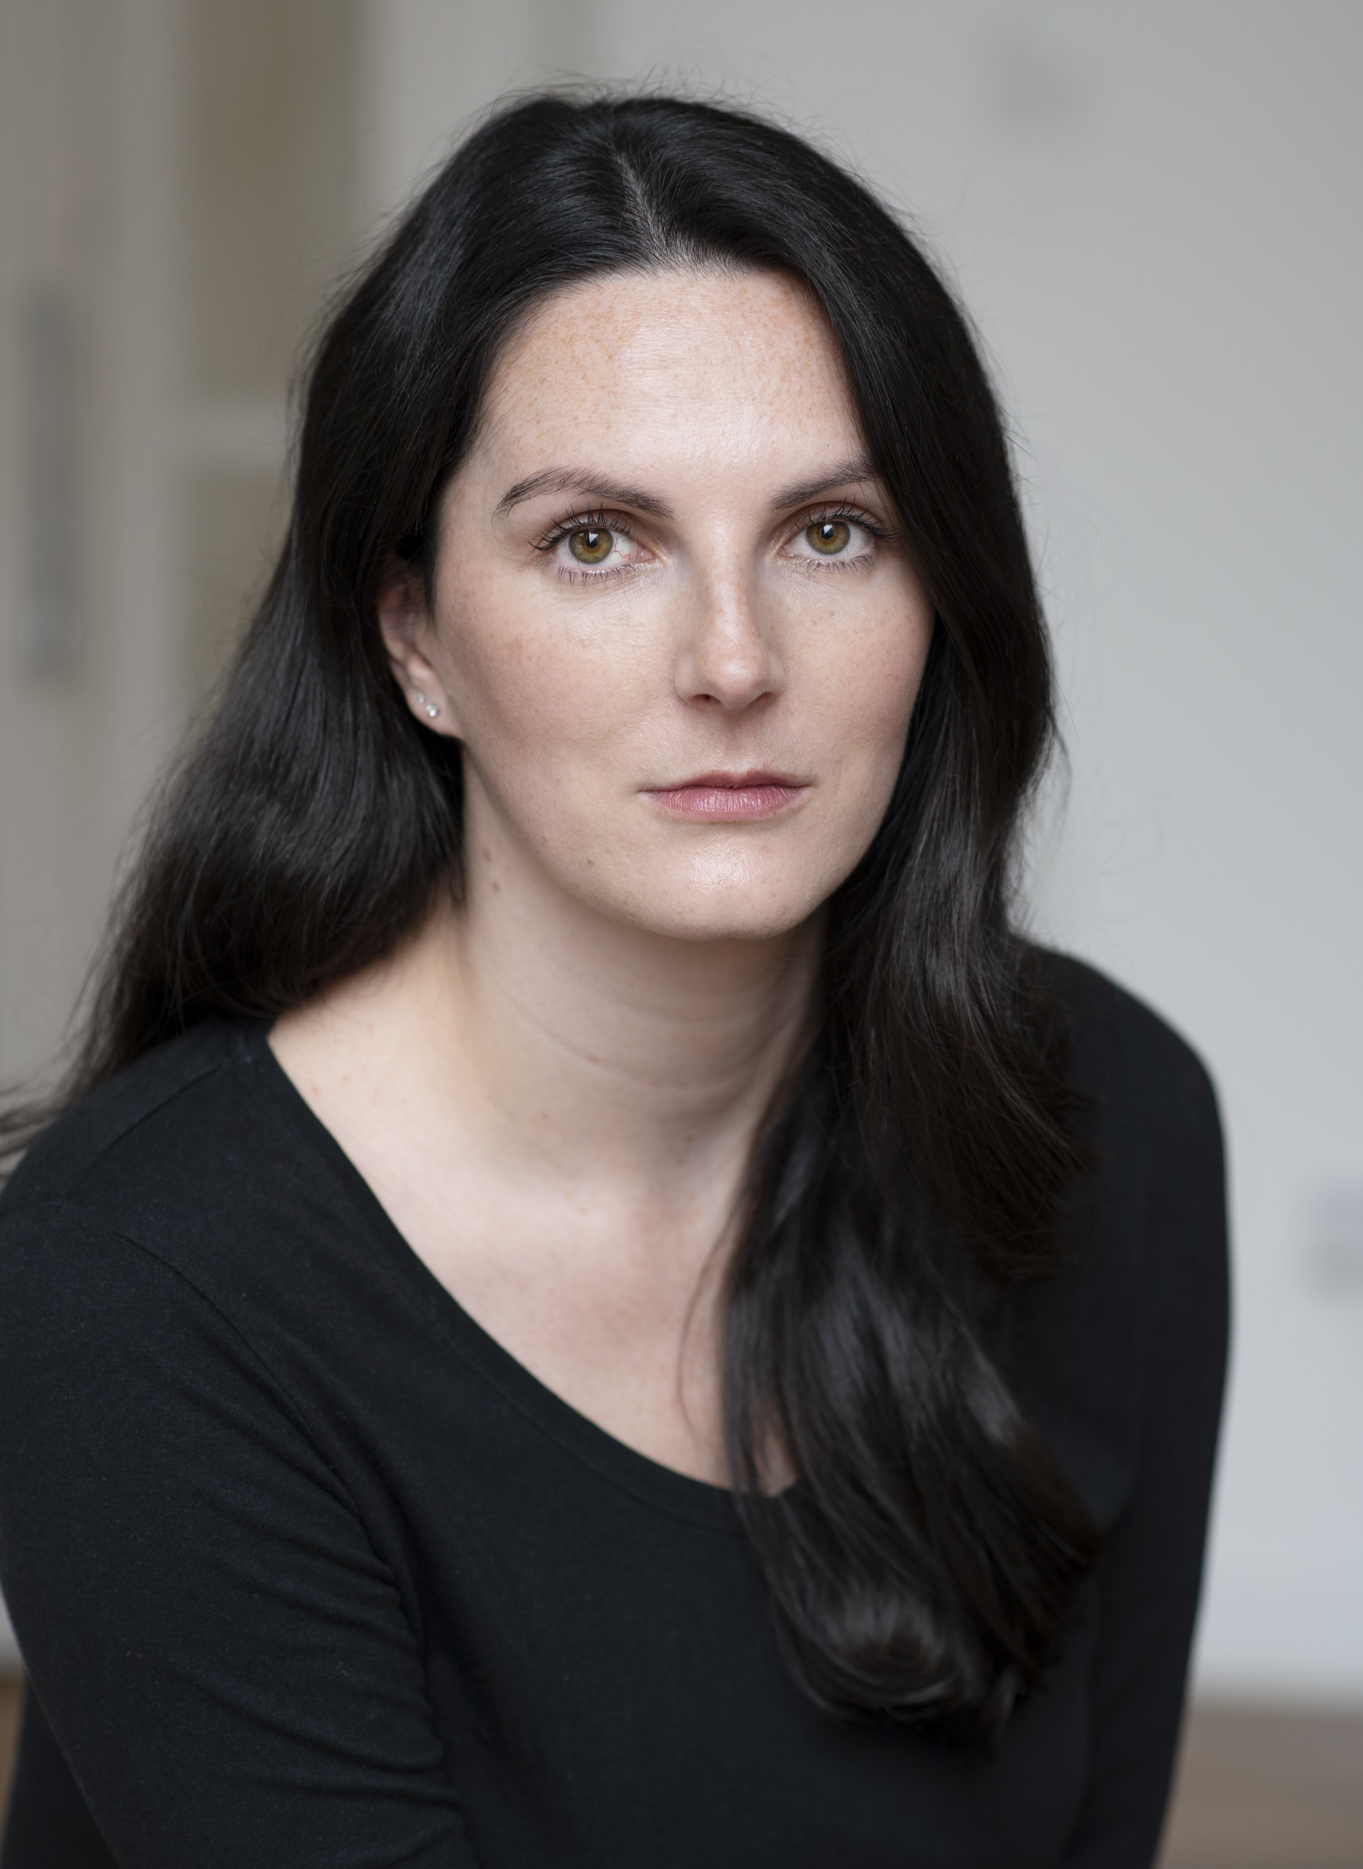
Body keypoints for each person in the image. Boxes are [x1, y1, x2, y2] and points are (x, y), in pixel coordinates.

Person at [0, 93, 1226, 1868]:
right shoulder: (141, 1285)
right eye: (596, 540)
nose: (734, 660)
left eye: (830, 532)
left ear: (942, 600)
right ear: (414, 638)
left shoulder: (1109, 1123)